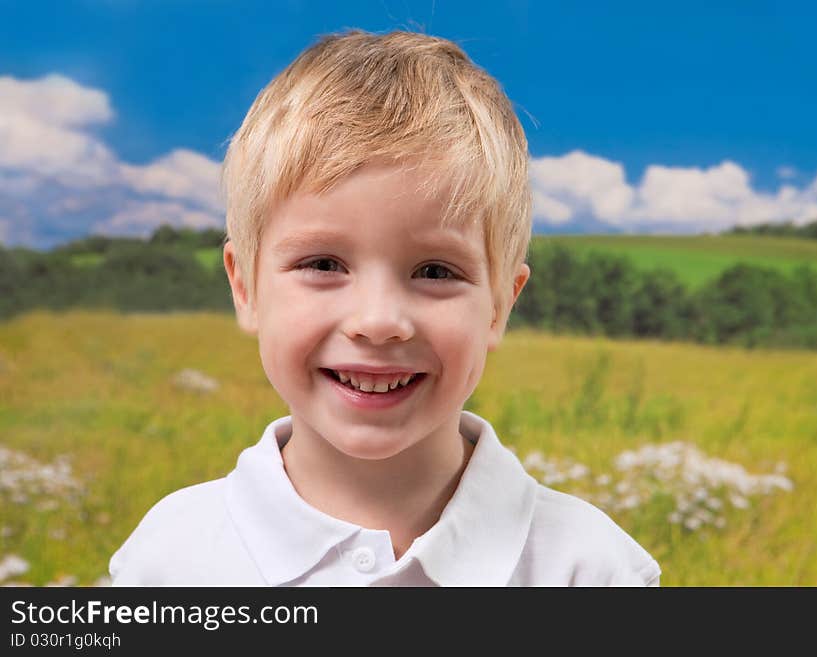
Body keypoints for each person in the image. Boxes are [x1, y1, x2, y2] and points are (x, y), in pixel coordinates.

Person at [109, 29, 661, 586]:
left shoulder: (589, 569)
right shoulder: (170, 559)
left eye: (436, 272)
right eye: (323, 265)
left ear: (499, 306)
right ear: (245, 287)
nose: (377, 322)